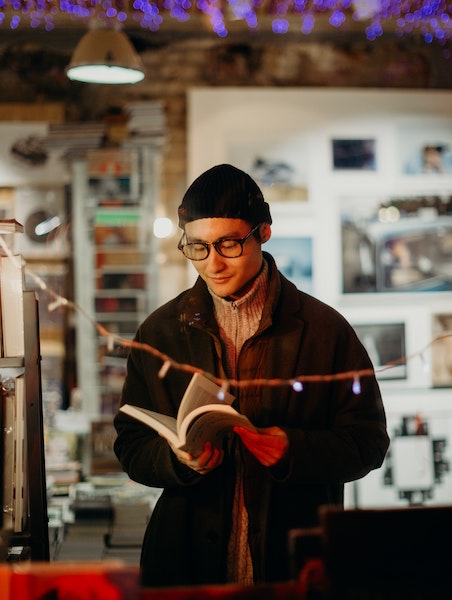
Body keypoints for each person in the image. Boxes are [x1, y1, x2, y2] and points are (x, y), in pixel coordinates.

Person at [113, 163, 389, 588]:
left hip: (296, 562)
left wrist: (292, 449)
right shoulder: (161, 330)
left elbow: (368, 445)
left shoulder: (324, 329)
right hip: (186, 563)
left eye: (228, 244)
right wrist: (178, 459)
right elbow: (131, 446)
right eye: (198, 247)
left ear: (263, 233)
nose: (213, 264)